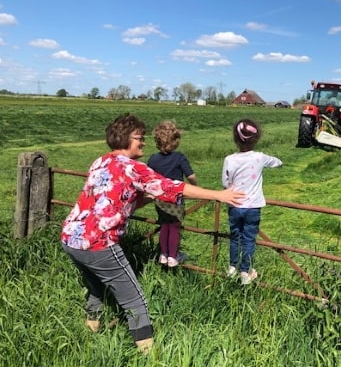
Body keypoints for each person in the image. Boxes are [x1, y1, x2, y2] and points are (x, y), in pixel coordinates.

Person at [60, 113, 244, 353]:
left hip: (71, 238)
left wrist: (146, 198)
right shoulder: (133, 168)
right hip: (99, 243)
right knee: (135, 300)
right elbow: (172, 186)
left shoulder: (101, 161)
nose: (143, 142)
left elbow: (114, 200)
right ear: (125, 138)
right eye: (139, 137)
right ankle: (148, 354)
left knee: (96, 286)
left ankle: (89, 335)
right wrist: (219, 195)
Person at [222, 119, 282, 285]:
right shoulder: (260, 157)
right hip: (253, 207)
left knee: (235, 236)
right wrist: (280, 163)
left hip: (234, 205)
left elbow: (225, 183)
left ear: (235, 138)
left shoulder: (229, 159)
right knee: (249, 239)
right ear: (256, 139)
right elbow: (276, 162)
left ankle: (232, 267)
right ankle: (245, 271)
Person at [148, 120, 197, 268]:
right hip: (175, 198)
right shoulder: (179, 157)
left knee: (164, 225)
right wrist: (196, 188)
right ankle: (173, 256)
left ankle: (163, 254)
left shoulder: (153, 159)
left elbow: (148, 177)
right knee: (175, 226)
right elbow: (191, 176)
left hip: (160, 198)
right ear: (175, 141)